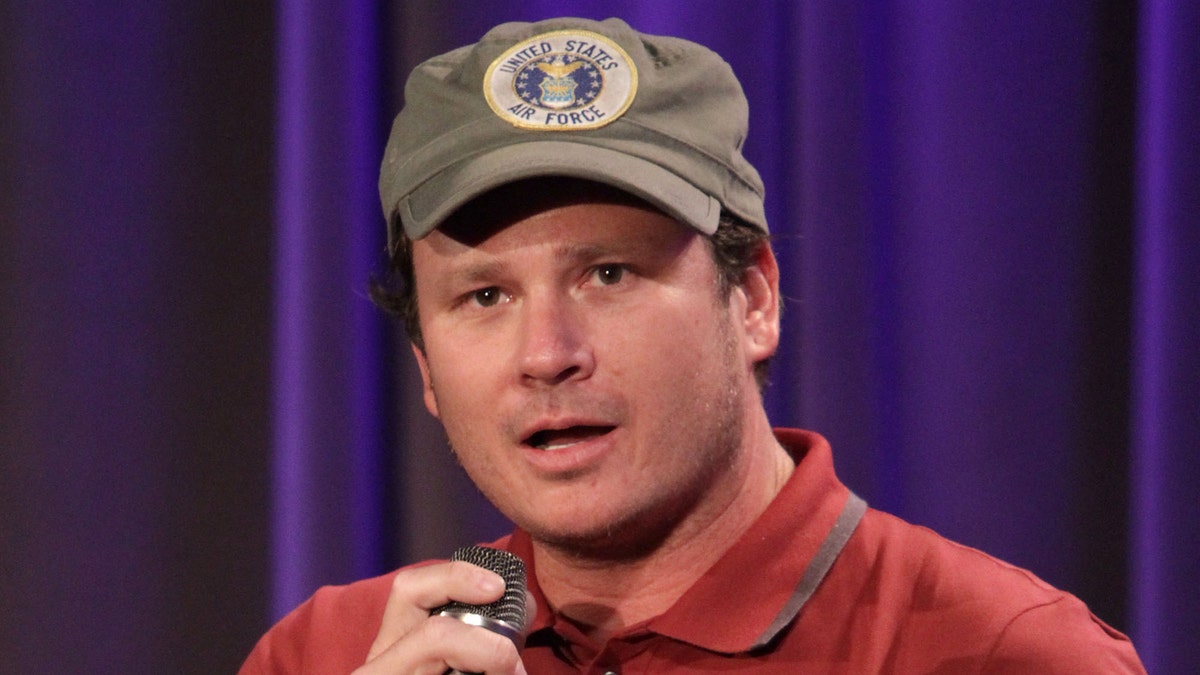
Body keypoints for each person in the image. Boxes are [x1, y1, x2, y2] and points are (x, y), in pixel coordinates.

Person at [240, 16, 1144, 674]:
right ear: (425, 367)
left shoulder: (995, 652)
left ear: (752, 297)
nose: (546, 354)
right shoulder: (328, 653)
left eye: (608, 276)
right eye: (484, 294)